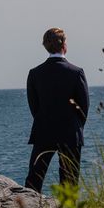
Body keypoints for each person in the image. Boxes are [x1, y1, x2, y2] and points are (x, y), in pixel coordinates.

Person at [24, 28, 89, 193]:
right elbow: (84, 106)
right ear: (64, 45)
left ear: (46, 46)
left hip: (43, 130)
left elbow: (34, 106)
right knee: (69, 181)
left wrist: (43, 119)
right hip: (70, 132)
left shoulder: (35, 73)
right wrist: (76, 126)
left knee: (34, 180)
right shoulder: (76, 72)